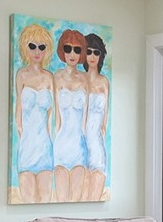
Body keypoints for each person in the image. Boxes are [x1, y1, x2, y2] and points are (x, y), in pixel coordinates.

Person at [13, 24, 57, 203]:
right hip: (27, 143)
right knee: (28, 198)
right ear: (25, 47)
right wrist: (22, 134)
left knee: (45, 198)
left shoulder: (49, 77)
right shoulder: (21, 75)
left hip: (45, 144)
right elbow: (18, 109)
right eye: (32, 46)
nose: (37, 51)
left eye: (42, 47)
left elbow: (52, 114)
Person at [52, 28, 90, 202]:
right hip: (61, 143)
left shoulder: (85, 79)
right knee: (60, 199)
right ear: (62, 51)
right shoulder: (57, 77)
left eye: (77, 49)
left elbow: (86, 116)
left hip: (79, 145)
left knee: (76, 200)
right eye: (68, 49)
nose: (72, 54)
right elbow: (55, 115)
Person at [81, 33, 110, 200]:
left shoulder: (104, 82)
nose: (92, 56)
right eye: (89, 51)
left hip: (97, 140)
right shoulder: (79, 79)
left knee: (96, 190)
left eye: (96, 52)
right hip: (79, 141)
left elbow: (105, 118)